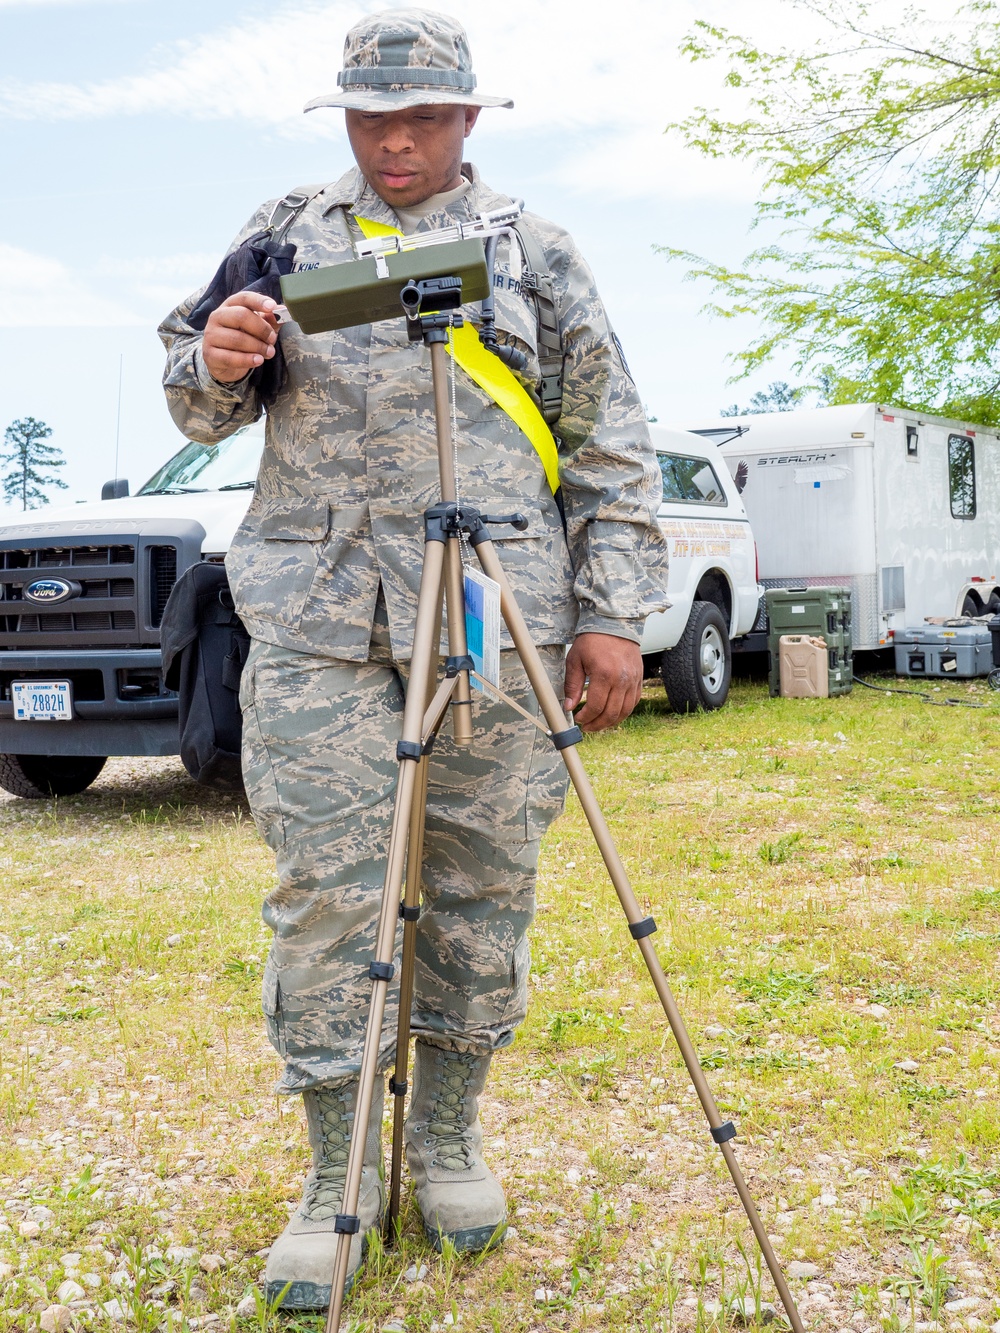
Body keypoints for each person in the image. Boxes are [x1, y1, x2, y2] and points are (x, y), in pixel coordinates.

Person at [159, 7, 669, 1309]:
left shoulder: (535, 252)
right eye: (372, 116)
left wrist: (612, 612)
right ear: (342, 115)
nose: (395, 140)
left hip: (493, 611)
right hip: (322, 615)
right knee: (330, 893)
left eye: (423, 117)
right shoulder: (284, 231)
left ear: (469, 118)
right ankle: (334, 1180)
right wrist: (214, 360)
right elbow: (196, 385)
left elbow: (608, 438)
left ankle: (444, 1140)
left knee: (480, 876)